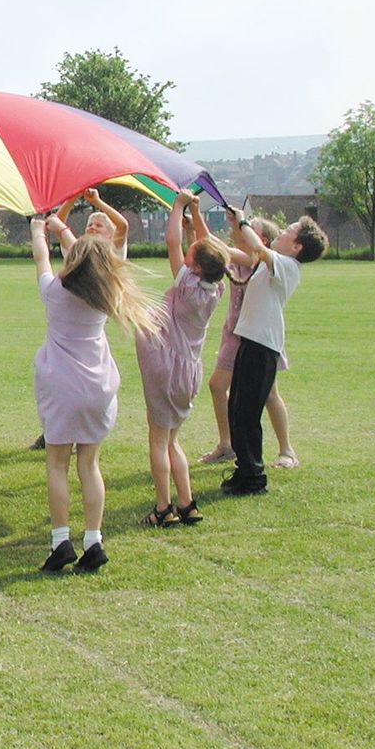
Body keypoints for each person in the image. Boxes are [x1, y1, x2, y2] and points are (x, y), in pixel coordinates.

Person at [31, 213, 160, 573]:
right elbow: (88, 260)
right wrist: (61, 229)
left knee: (58, 463)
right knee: (90, 465)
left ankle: (60, 541)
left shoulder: (54, 292)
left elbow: (43, 257)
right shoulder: (107, 293)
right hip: (99, 387)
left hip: (62, 386)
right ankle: (93, 539)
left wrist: (40, 230)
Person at [135, 191, 229, 527]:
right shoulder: (215, 288)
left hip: (166, 368)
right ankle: (187, 503)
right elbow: (205, 246)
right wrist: (195, 215)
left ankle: (163, 508)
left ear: (196, 265)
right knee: (173, 439)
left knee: (158, 440)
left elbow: (172, 242)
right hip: (189, 372)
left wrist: (176, 208)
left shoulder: (187, 284)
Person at [220, 209, 328, 495]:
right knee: (237, 409)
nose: (282, 231)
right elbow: (245, 250)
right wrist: (235, 224)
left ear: (297, 247)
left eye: (289, 230)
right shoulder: (273, 263)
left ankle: (254, 478)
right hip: (251, 342)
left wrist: (243, 220)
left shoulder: (287, 265)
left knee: (246, 412)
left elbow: (256, 246)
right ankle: (245, 470)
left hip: (262, 347)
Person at [29, 186, 130, 449]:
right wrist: (72, 195)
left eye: (99, 225)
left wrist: (97, 202)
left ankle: (63, 432)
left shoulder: (110, 256)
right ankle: (58, 430)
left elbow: (123, 226)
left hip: (78, 325)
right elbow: (59, 225)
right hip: (78, 324)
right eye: (90, 225)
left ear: (109, 235)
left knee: (67, 377)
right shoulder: (79, 252)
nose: (93, 229)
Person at [199, 217, 299, 469]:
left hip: (259, 339)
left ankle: (286, 450)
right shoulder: (240, 257)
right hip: (235, 334)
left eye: (250, 225)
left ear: (261, 239)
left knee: (269, 395)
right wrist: (197, 217)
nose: (242, 227)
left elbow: (233, 249)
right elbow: (212, 244)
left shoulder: (261, 261)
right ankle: (227, 445)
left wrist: (237, 221)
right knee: (218, 386)